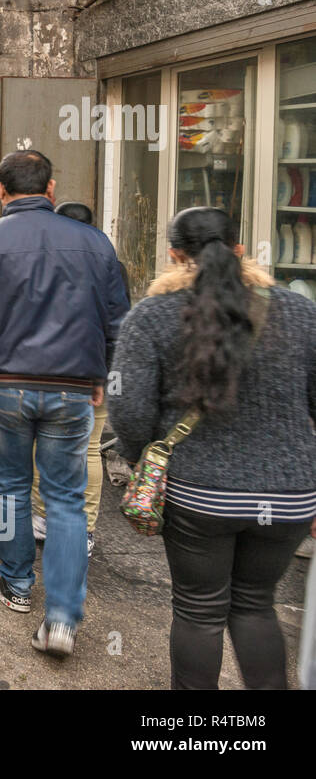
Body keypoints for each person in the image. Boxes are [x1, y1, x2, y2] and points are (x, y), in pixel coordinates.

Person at [108, 207, 316, 688]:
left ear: (174, 256)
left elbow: (130, 412)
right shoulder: (303, 313)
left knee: (200, 611)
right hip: (289, 497)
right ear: (241, 250)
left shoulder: (152, 317)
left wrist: (144, 457)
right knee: (256, 604)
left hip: (199, 494)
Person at [0, 150, 129, 658]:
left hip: (5, 386)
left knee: (10, 485)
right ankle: (63, 620)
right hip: (73, 388)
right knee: (67, 499)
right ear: (50, 190)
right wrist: (102, 375)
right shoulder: (95, 244)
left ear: (1, 192)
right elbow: (117, 320)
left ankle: (17, 584)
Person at [30, 200, 132, 556]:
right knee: (88, 450)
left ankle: (42, 520)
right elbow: (118, 325)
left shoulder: (43, 263)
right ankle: (84, 529)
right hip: (95, 371)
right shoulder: (113, 266)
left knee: (42, 446)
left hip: (48, 370)